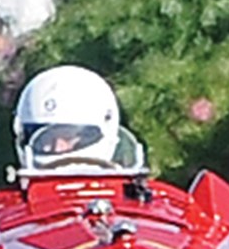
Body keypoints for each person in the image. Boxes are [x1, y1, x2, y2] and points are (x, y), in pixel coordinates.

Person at [11, 64, 140, 172]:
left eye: (68, 136)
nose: (57, 148)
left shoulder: (134, 197)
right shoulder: (13, 201)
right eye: (45, 139)